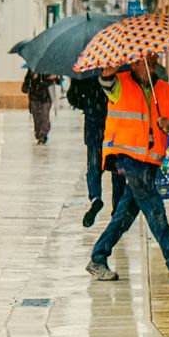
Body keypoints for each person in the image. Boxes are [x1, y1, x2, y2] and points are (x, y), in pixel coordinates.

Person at [86, 54, 169, 285]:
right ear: (134, 63)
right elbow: (106, 83)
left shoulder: (166, 91)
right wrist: (109, 70)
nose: (149, 66)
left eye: (152, 61)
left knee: (125, 214)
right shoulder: (120, 83)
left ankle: (98, 257)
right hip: (128, 158)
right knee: (153, 205)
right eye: (144, 62)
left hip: (151, 160)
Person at [68, 75, 125, 227]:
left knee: (93, 168)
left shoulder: (85, 68)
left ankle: (95, 198)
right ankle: (117, 209)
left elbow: (72, 97)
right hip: (114, 125)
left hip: (93, 125)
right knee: (117, 170)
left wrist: (88, 105)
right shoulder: (116, 68)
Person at [23, 71, 59, 144]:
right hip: (34, 97)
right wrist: (32, 78)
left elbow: (58, 81)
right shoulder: (32, 70)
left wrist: (54, 77)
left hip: (46, 97)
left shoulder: (49, 69)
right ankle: (38, 134)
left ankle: (43, 134)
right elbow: (27, 83)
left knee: (44, 116)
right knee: (36, 117)